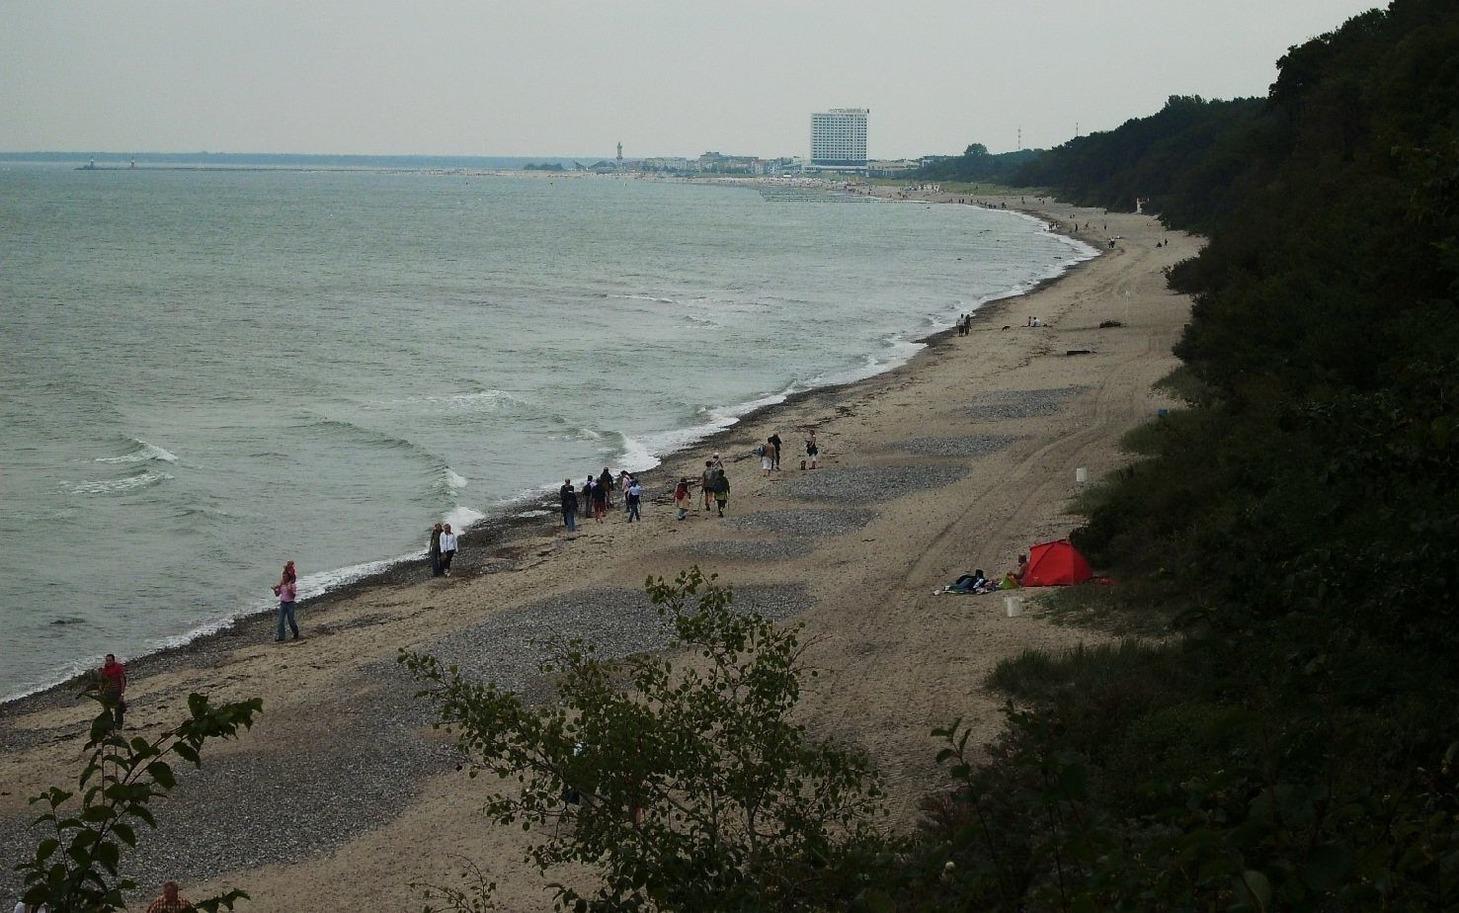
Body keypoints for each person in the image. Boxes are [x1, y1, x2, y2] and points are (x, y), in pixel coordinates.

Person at [272, 560, 299, 642]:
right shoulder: (282, 584)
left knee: (291, 620)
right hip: (283, 604)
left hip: (290, 604)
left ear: (288, 577)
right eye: (283, 576)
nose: (283, 577)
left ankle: (296, 632)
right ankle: (281, 636)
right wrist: (275, 590)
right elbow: (277, 594)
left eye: (285, 576)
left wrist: (289, 589)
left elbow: (293, 596)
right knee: (280, 621)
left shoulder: (292, 585)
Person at [98, 653, 127, 730]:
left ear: (113, 660)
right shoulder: (104, 669)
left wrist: (122, 694)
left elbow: (122, 681)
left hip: (117, 691)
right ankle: (110, 724)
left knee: (118, 710)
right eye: (107, 660)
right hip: (108, 692)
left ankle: (118, 725)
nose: (108, 662)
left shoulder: (118, 667)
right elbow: (102, 682)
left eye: (110, 660)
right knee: (107, 709)